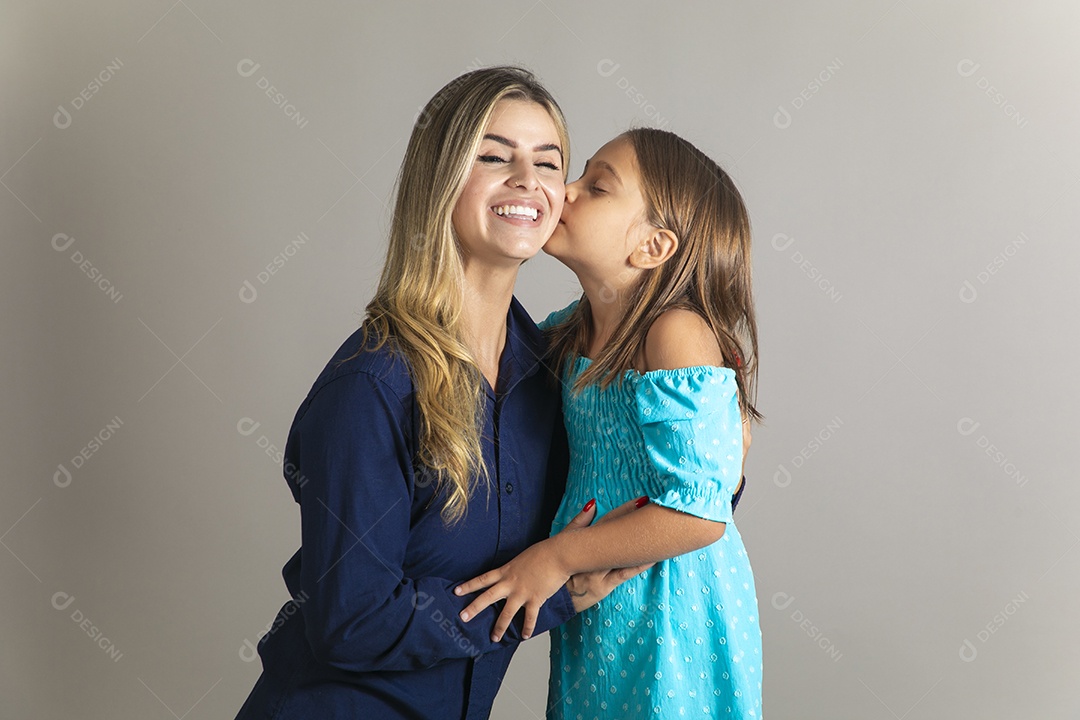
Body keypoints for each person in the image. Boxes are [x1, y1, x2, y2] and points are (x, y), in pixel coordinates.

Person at [233, 66, 652, 720]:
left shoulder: (551, 376)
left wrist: (717, 429)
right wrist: (551, 595)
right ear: (441, 178)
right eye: (494, 156)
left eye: (548, 162)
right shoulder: (371, 386)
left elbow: (660, 489)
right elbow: (352, 621)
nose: (528, 179)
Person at [454, 128, 764, 718]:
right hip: (601, 600)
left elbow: (700, 514)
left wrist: (555, 558)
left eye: (596, 186)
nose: (565, 191)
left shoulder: (673, 333)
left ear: (652, 245)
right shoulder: (572, 328)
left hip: (672, 606)